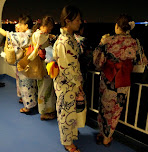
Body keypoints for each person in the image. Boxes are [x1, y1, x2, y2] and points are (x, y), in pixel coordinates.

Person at [93, 14, 148, 146]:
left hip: (108, 80)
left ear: (117, 26)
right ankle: (107, 136)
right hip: (123, 81)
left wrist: (101, 43)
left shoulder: (108, 41)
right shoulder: (135, 43)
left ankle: (102, 133)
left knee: (104, 107)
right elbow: (143, 61)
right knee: (116, 110)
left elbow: (97, 61)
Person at [53, 5, 84, 152]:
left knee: (69, 111)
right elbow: (68, 68)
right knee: (66, 112)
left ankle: (70, 135)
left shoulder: (69, 37)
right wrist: (78, 83)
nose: (80, 22)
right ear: (68, 21)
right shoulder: (64, 41)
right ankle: (67, 142)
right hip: (67, 84)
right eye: (77, 20)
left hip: (69, 83)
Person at [0, 14, 38, 114]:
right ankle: (26, 100)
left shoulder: (25, 35)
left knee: (26, 85)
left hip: (24, 64)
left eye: (21, 24)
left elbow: (7, 34)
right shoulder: (31, 34)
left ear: (26, 25)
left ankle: (28, 106)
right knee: (29, 84)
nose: (19, 26)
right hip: (30, 62)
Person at [27, 16, 56, 120]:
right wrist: (51, 36)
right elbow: (45, 41)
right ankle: (45, 112)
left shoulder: (36, 34)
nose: (49, 30)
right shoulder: (41, 35)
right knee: (45, 89)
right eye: (49, 28)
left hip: (41, 63)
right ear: (43, 26)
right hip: (44, 64)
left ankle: (45, 110)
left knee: (43, 88)